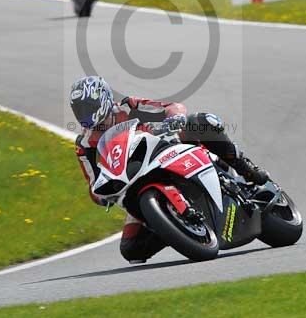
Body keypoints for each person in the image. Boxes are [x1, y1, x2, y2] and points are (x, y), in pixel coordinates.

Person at [68, 75, 270, 264]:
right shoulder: (84, 145)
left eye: (87, 107)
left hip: (166, 150)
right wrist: (101, 196)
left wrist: (174, 118)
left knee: (201, 122)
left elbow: (170, 107)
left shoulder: (128, 106)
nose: (83, 114)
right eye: (79, 110)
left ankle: (245, 168)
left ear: (101, 100)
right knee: (131, 249)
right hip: (133, 180)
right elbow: (93, 184)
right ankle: (175, 226)